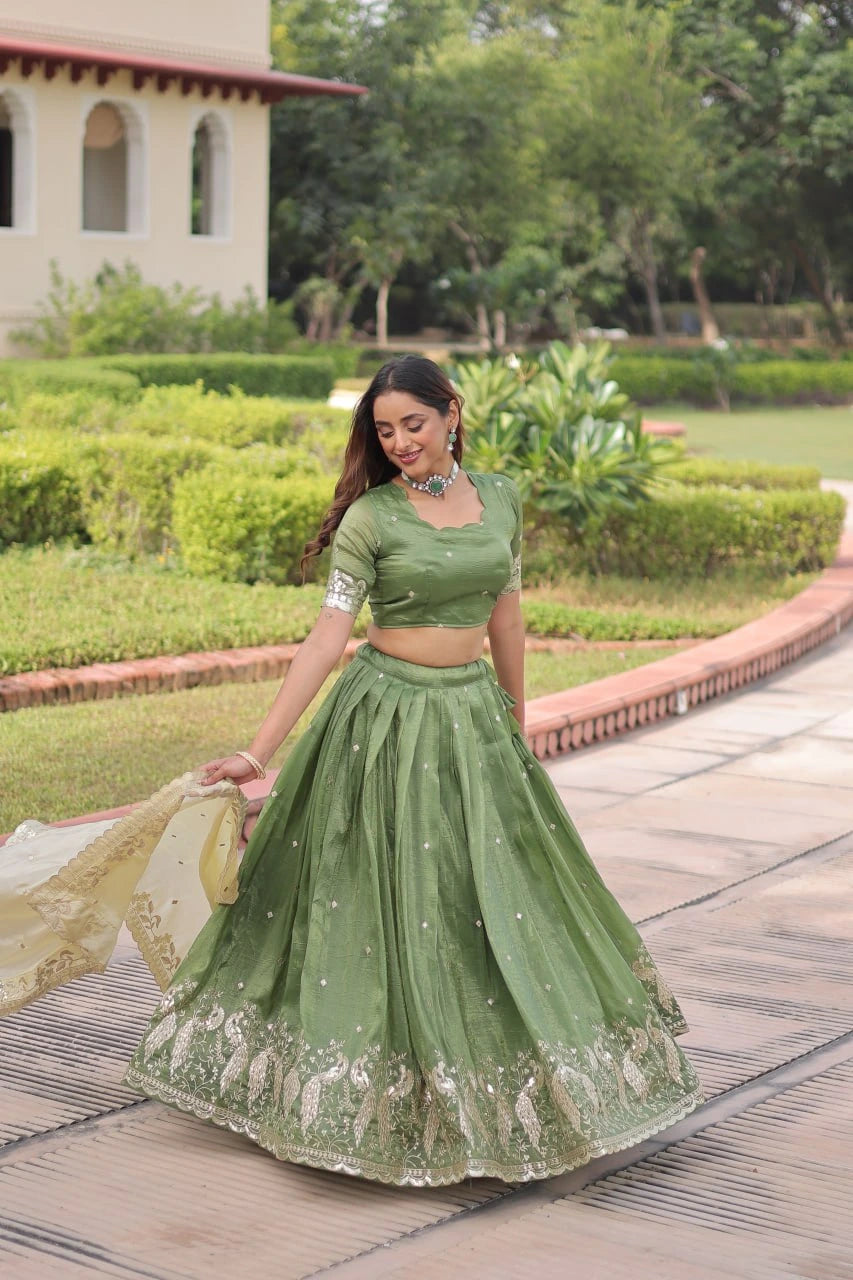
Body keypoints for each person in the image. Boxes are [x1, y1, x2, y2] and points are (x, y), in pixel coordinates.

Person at [77, 355, 708, 1184]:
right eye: (384, 431)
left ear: (451, 414)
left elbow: (507, 618)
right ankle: (364, 1098)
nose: (400, 441)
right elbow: (326, 638)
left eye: (413, 423)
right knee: (378, 901)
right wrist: (258, 752)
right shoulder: (370, 519)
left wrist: (515, 724)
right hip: (381, 722)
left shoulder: (501, 499)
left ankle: (508, 1089)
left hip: (471, 719)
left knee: (492, 897)